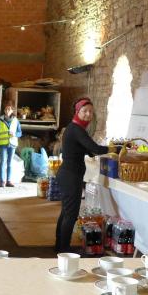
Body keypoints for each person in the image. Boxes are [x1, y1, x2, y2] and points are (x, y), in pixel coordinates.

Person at [55, 98, 115, 254]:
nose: (88, 114)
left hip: (68, 175)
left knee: (66, 212)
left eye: (90, 112)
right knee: (71, 214)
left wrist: (95, 149)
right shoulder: (76, 129)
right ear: (77, 112)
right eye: (85, 111)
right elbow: (95, 149)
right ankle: (64, 249)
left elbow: (87, 149)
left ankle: (59, 246)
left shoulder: (75, 128)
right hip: (70, 177)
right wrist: (113, 148)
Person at [0, 99, 22, 187]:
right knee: (3, 162)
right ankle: (2, 181)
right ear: (4, 110)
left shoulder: (16, 120)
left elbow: (20, 133)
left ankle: (9, 181)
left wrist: (15, 134)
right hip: (2, 144)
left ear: (12, 110)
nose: (7, 111)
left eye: (9, 109)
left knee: (10, 162)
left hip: (12, 144)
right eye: (6, 109)